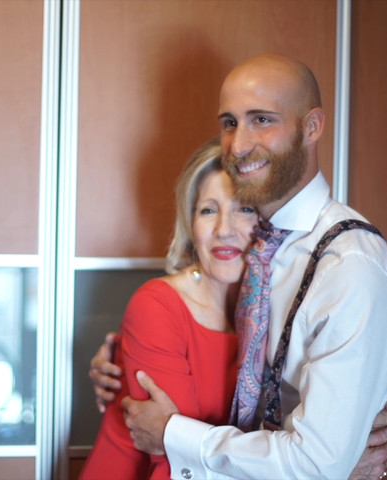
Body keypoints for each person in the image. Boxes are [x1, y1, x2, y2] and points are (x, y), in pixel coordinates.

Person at [90, 53, 387, 479]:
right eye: (229, 122)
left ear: (312, 126)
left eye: (262, 119)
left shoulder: (348, 266)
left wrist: (173, 434)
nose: (239, 145)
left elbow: (315, 462)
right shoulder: (267, 252)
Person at [81, 138, 257, 478]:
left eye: (244, 208)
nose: (224, 229)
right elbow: (172, 460)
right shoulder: (157, 306)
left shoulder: (276, 314)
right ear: (191, 226)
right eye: (208, 210)